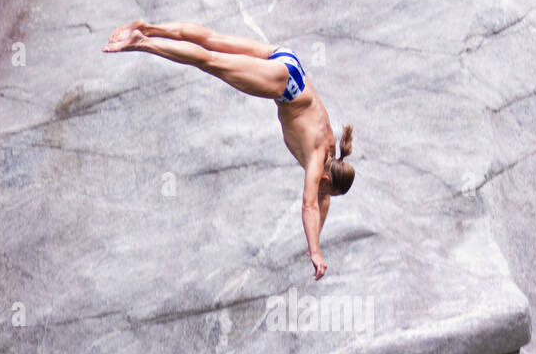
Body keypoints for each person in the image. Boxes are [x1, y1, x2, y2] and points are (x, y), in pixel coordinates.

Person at [103, 20, 354, 279]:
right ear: (325, 178)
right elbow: (310, 204)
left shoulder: (331, 152)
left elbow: (321, 201)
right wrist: (316, 253)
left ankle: (146, 27)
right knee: (210, 61)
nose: (322, 193)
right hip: (284, 84)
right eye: (325, 188)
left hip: (289, 60)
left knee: (212, 39)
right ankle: (143, 42)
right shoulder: (315, 157)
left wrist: (316, 240)